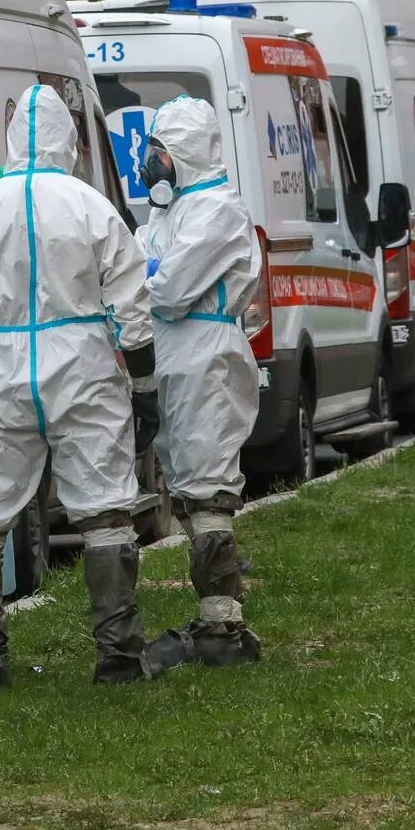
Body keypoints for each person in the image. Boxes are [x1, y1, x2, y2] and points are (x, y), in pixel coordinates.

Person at [0, 85, 160, 688]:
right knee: (105, 509)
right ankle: (118, 655)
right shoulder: (91, 206)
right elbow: (131, 304)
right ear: (70, 139)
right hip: (82, 364)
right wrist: (143, 384)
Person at [134, 95, 264, 672]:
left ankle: (221, 626)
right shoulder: (170, 212)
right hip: (174, 354)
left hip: (205, 355)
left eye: (160, 150)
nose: (150, 161)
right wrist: (149, 273)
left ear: (183, 151)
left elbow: (165, 291)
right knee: (185, 484)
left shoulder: (217, 210)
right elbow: (136, 274)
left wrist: (150, 275)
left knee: (208, 485)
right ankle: (215, 617)